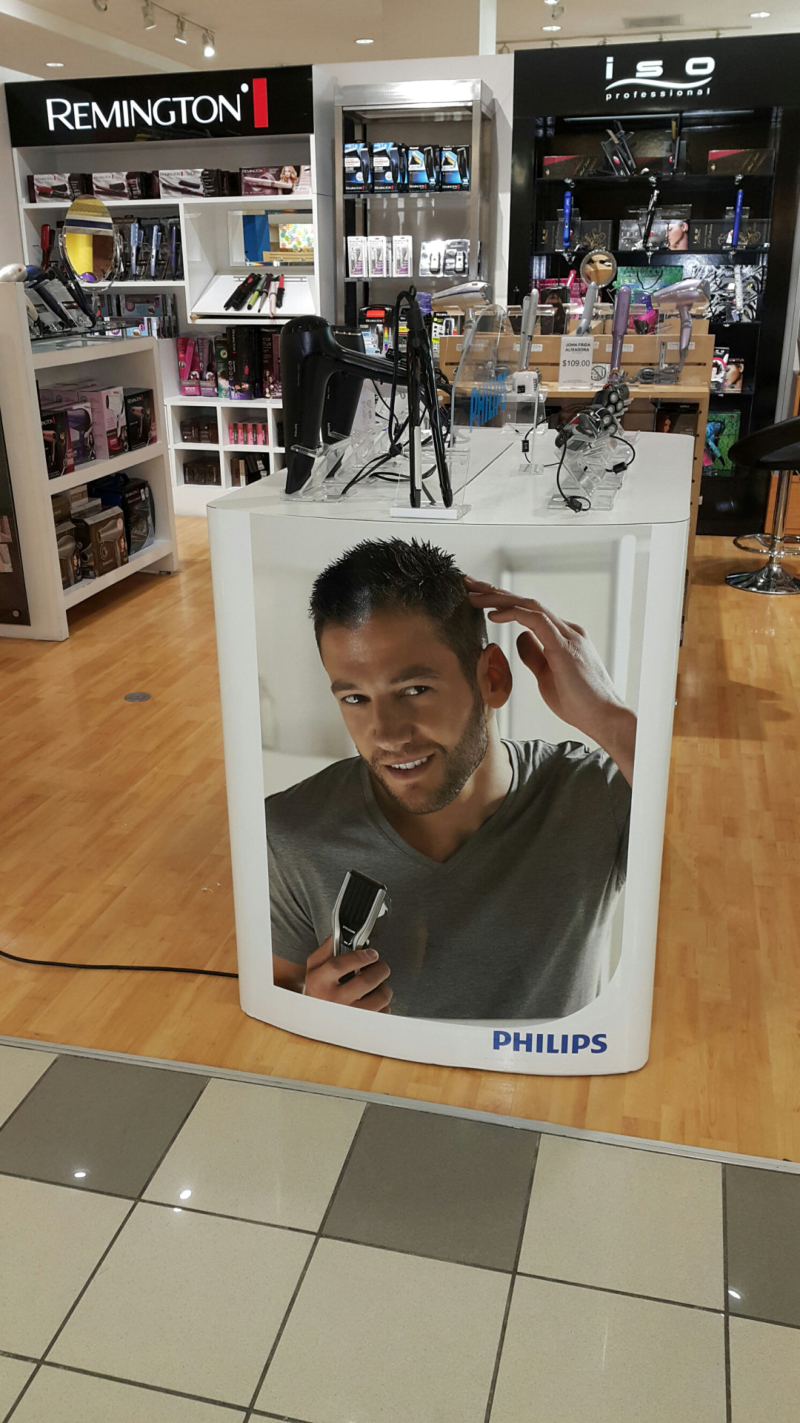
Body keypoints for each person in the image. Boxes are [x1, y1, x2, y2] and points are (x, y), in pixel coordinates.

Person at [266, 538, 636, 1021]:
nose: (387, 735)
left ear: (493, 679)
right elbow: (274, 1001)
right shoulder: (289, 832)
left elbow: (733, 883)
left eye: (414, 689)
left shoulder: (600, 795)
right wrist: (313, 1011)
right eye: (355, 698)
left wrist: (610, 718)